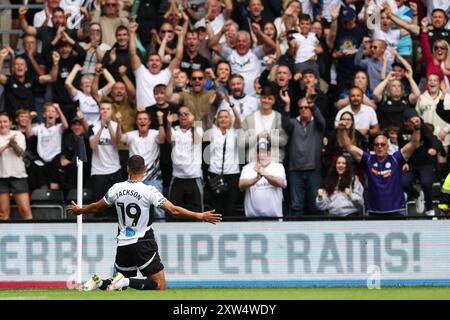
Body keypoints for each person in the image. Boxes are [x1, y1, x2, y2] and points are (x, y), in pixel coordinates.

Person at [69, 154, 221, 291]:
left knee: (116, 284)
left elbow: (96, 207)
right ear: (145, 168)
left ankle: (99, 282)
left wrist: (80, 210)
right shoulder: (149, 191)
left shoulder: (116, 188)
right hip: (143, 242)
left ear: (127, 168)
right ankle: (126, 282)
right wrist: (199, 215)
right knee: (160, 285)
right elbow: (173, 210)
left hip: (123, 243)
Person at [338, 112, 421, 216]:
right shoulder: (368, 159)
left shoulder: (396, 159)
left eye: (383, 144)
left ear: (387, 147)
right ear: (373, 147)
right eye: (377, 145)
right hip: (374, 211)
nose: (380, 147)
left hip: (397, 210)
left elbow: (413, 143)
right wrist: (342, 131)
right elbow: (349, 146)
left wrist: (417, 129)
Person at [117, 111, 166, 220]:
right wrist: (119, 123)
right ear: (136, 122)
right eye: (140, 119)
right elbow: (120, 139)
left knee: (159, 210)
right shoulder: (132, 135)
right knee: (134, 209)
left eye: (145, 119)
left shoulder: (155, 133)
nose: (142, 121)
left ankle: (161, 235)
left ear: (149, 122)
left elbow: (162, 139)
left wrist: (161, 121)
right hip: (134, 180)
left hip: (153, 178)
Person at [282, 93, 326, 216]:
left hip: (314, 170)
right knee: (296, 206)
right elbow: (285, 124)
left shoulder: (317, 124)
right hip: (295, 170)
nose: (303, 109)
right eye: (301, 107)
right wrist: (287, 104)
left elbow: (322, 121)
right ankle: (296, 234)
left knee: (317, 205)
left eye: (306, 107)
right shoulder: (293, 122)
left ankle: (318, 234)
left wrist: (313, 105)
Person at [205, 104, 242, 218]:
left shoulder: (235, 132)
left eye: (226, 117)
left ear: (230, 119)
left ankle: (231, 232)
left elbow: (239, 121)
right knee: (217, 207)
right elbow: (208, 120)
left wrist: (232, 107)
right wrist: (211, 105)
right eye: (221, 117)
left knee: (231, 207)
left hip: (232, 174)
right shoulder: (213, 132)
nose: (223, 119)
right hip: (215, 173)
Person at [239, 137, 287, 218]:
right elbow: (241, 185)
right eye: (259, 152)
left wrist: (264, 173)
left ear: (269, 153)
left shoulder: (278, 167)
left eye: (265, 152)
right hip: (252, 219)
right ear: (256, 154)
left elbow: (280, 183)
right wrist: (256, 179)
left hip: (274, 218)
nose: (261, 154)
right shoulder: (247, 168)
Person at [0, 113, 32, 220]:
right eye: (0, 122)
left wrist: (13, 144)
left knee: (25, 210)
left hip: (18, 176)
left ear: (10, 123)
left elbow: (20, 153)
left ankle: (30, 235)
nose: (2, 124)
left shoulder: (18, 135)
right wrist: (7, 145)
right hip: (1, 178)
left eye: (5, 121)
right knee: (3, 213)